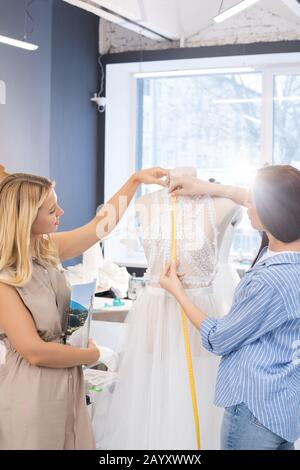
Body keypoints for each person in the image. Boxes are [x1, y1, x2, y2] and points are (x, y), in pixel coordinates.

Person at [0, 167, 169, 450]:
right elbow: (34, 351)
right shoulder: (5, 278)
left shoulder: (45, 248)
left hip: (69, 380)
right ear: (26, 217)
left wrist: (134, 181)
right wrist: (90, 354)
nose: (61, 213)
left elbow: (99, 227)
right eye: (52, 210)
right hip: (32, 389)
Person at [98, 167, 242, 450]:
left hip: (198, 309)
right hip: (154, 312)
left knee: (197, 394)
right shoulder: (145, 204)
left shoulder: (224, 204)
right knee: (155, 391)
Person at [160, 164, 300, 450]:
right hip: (285, 405)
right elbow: (248, 194)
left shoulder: (271, 279)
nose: (246, 205)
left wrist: (179, 293)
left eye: (253, 202)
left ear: (272, 210)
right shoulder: (289, 257)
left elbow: (219, 337)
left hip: (255, 409)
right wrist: (208, 187)